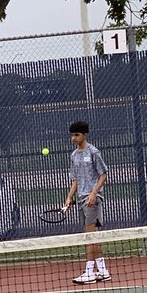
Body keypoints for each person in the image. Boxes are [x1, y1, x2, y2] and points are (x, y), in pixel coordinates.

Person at [62, 121, 110, 283]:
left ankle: (89, 272)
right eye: (72, 135)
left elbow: (103, 174)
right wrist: (69, 198)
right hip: (81, 199)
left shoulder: (94, 152)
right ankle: (103, 271)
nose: (73, 138)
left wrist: (93, 194)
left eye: (76, 135)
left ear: (85, 135)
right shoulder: (74, 156)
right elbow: (75, 180)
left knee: (89, 236)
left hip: (92, 200)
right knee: (92, 236)